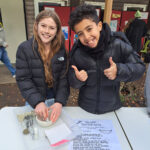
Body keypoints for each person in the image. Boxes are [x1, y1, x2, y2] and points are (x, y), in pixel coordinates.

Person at [68, 4, 145, 114]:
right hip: (85, 108)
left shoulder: (118, 44)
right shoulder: (77, 52)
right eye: (80, 34)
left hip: (112, 108)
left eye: (89, 29)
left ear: (99, 26)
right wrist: (77, 79)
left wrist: (119, 70)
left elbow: (140, 68)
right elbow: (71, 80)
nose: (86, 37)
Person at [16, 10, 69, 123]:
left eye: (52, 28)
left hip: (55, 100)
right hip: (34, 99)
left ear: (57, 30)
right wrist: (38, 102)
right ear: (36, 25)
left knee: (56, 128)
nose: (46, 31)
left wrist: (59, 102)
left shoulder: (61, 49)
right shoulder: (24, 49)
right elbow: (23, 79)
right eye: (43, 26)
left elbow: (63, 78)